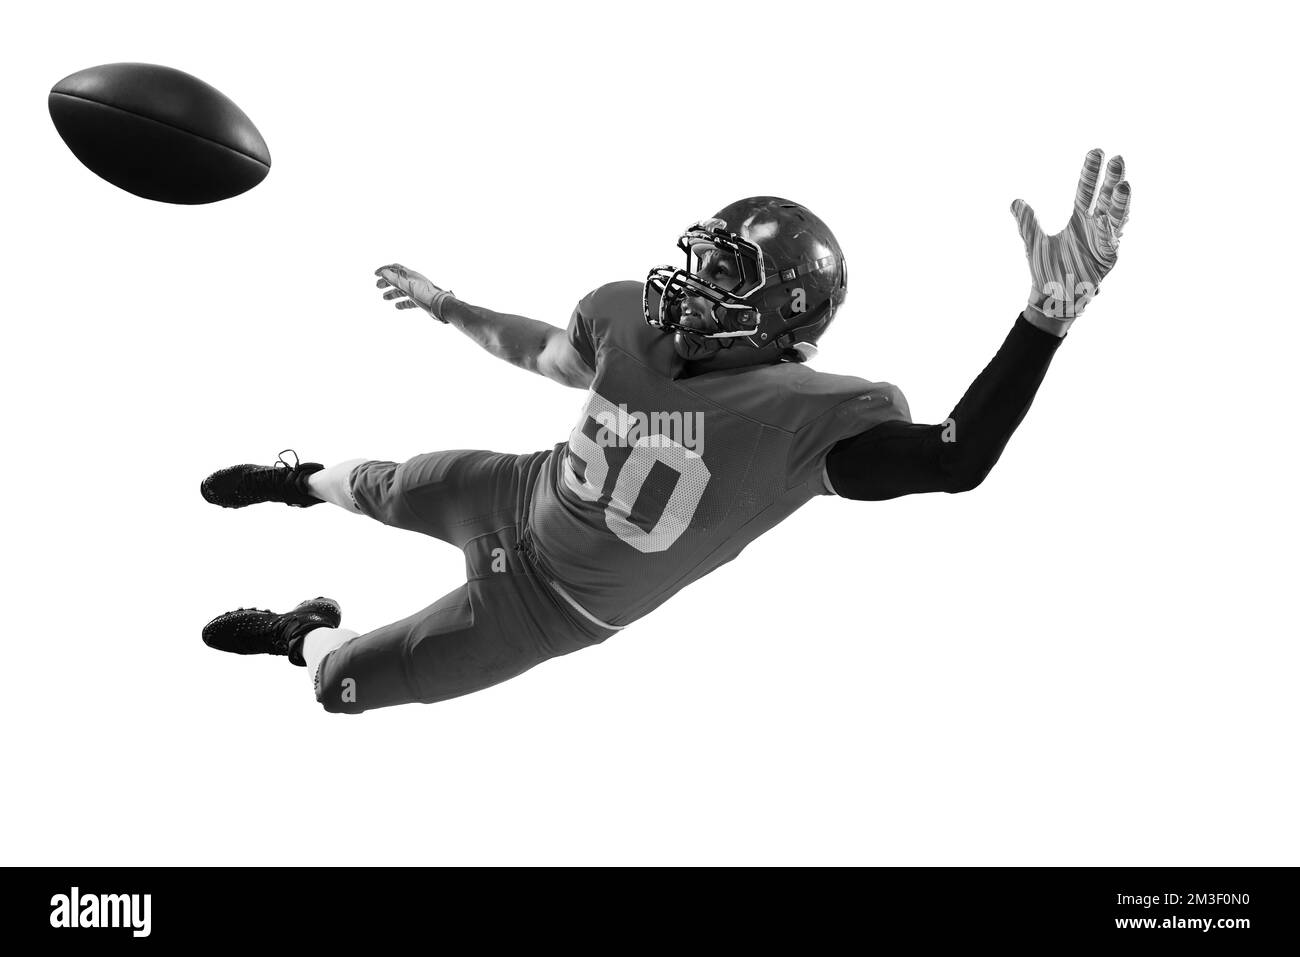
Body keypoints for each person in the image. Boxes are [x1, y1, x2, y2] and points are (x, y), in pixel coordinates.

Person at [200, 150, 1131, 715]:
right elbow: (543, 353)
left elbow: (955, 458)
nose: (692, 285)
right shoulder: (627, 320)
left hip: (546, 610)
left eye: (728, 277)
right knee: (381, 484)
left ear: (781, 314)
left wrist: (1043, 321)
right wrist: (446, 304)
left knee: (341, 687)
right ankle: (297, 481)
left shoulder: (810, 423)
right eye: (703, 261)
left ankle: (301, 630)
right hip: (524, 490)